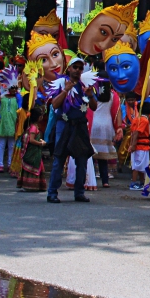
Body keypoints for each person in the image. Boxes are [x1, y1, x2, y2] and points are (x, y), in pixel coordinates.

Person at [47, 57, 96, 203]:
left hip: (80, 126)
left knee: (82, 160)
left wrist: (90, 95)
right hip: (64, 125)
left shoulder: (85, 85)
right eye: (75, 67)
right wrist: (66, 90)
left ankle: (79, 192)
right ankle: (52, 193)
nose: (78, 70)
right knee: (59, 160)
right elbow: (54, 105)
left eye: (80, 68)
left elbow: (93, 107)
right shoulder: (61, 83)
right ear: (69, 68)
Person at [89, 75, 122, 188]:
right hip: (106, 125)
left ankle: (90, 179)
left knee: (91, 154)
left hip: (94, 124)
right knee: (103, 157)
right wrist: (118, 127)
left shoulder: (92, 93)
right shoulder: (113, 95)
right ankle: (105, 181)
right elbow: (116, 112)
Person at [17, 108, 47, 192]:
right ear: (38, 117)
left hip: (34, 152)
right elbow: (31, 140)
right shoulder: (34, 127)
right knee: (34, 166)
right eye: (41, 115)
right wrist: (41, 143)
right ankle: (31, 185)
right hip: (33, 152)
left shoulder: (32, 126)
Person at [128, 102, 150, 190]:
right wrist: (133, 145)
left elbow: (133, 132)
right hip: (140, 146)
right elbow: (136, 132)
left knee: (142, 165)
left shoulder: (136, 119)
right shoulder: (144, 120)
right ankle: (133, 183)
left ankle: (142, 182)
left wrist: (131, 144)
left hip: (142, 146)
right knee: (137, 165)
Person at [0, 84, 19, 173]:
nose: (14, 90)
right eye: (12, 88)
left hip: (13, 123)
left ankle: (10, 164)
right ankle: (0, 164)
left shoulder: (18, 98)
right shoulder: (1, 98)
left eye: (16, 88)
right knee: (1, 145)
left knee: (12, 146)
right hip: (2, 123)